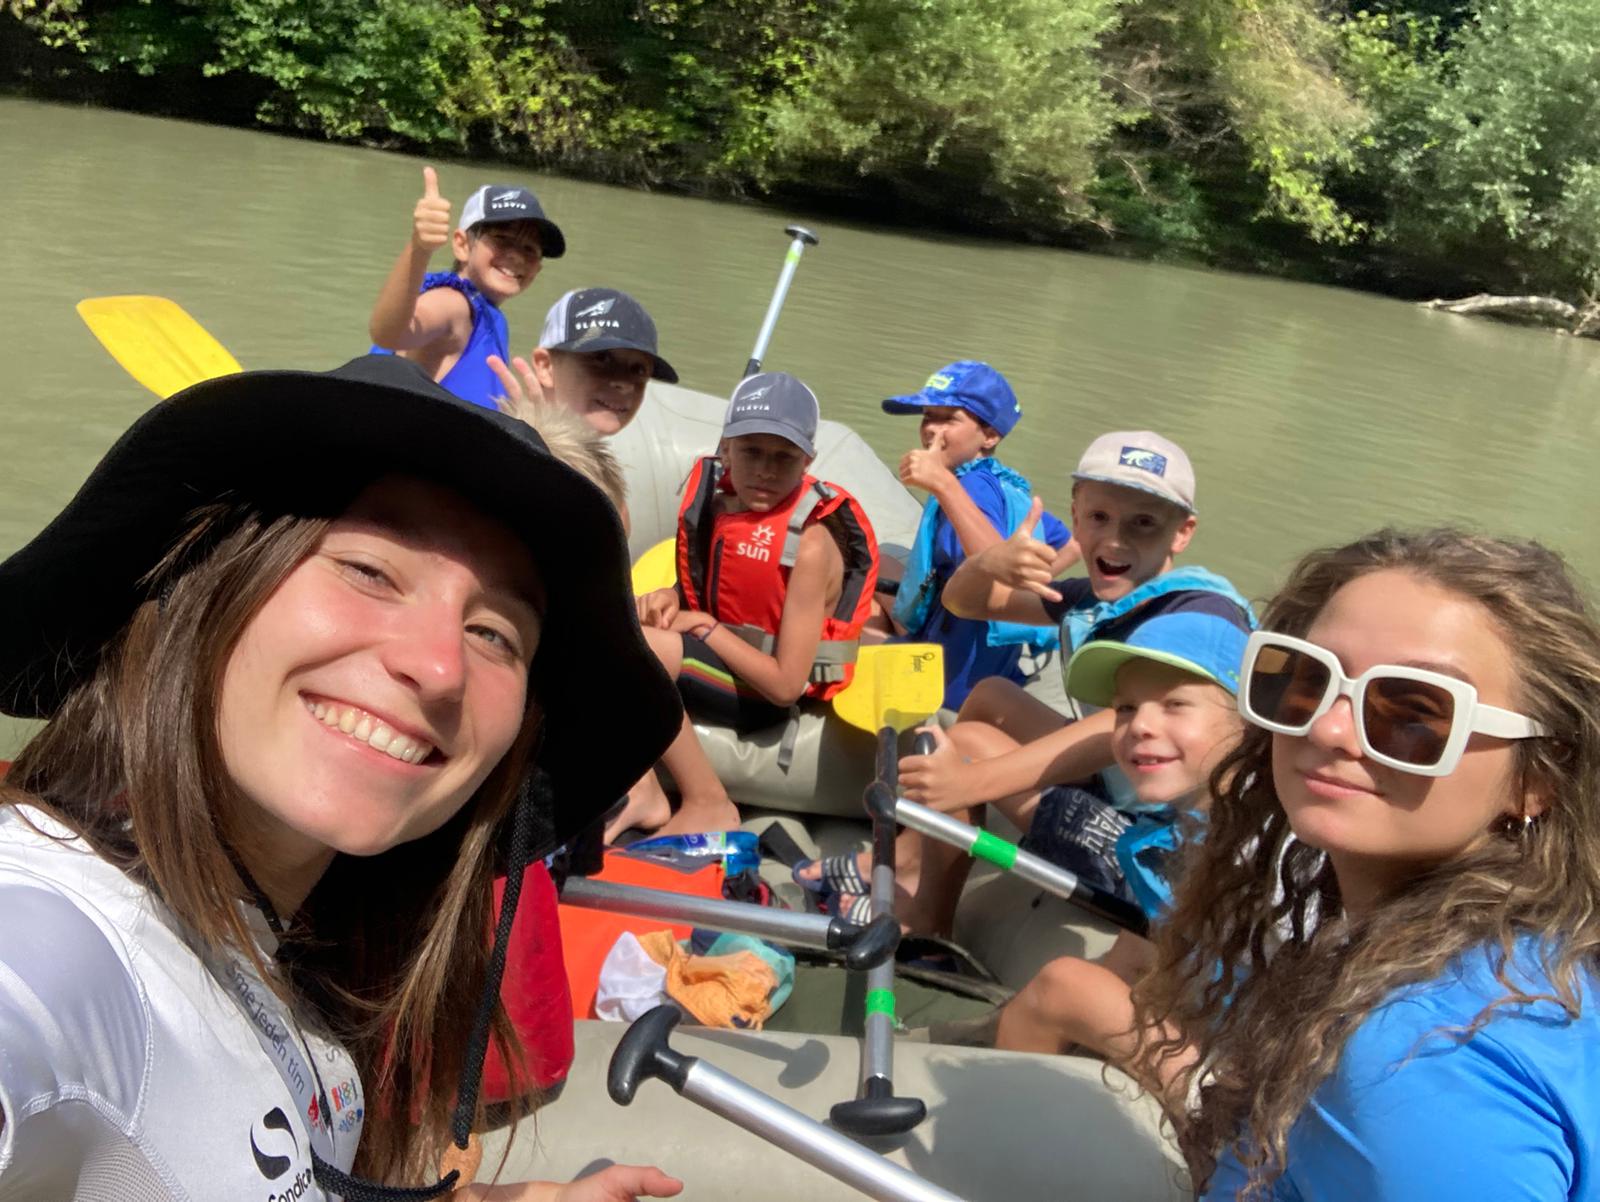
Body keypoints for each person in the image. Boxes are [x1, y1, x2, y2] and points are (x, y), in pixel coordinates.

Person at [0, 354, 684, 1202]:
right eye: (369, 570)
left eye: (496, 633)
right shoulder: (51, 946)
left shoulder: (290, 955)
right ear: (205, 583)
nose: (439, 668)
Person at [1130, 529, 1600, 1200]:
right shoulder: (1544, 955)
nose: (1326, 728)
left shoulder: (1423, 1055)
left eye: (1414, 712)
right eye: (1303, 680)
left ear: (1539, 778)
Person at [798, 430, 1251, 933]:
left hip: (1163, 847)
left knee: (968, 744)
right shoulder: (1097, 598)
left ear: (1182, 533)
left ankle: (928, 919)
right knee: (992, 695)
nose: (1116, 540)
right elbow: (968, 603)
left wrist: (969, 781)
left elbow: (1112, 729)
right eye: (1100, 517)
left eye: (1143, 524)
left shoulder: (1197, 617)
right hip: (1126, 786)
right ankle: (909, 857)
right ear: (1076, 516)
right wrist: (988, 563)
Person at [979, 611, 1246, 1110]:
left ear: (1248, 722)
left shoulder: (1253, 851)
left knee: (1064, 985)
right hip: (1221, 1049)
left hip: (1245, 1100)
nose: (1140, 725)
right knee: (1076, 983)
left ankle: (999, 1134)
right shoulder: (1179, 832)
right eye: (1124, 708)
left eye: (1174, 704)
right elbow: (1141, 948)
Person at [612, 372, 879, 841]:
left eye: (784, 457)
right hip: (721, 659)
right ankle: (640, 782)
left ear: (807, 461)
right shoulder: (723, 504)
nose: (766, 471)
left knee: (648, 651)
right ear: (727, 449)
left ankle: (707, 802)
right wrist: (671, 598)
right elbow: (709, 587)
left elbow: (784, 685)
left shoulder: (810, 547)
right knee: (613, 622)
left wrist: (705, 628)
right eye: (752, 451)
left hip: (762, 695)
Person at [872, 360, 1077, 709]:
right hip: (974, 644)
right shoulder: (1001, 481)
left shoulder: (965, 489)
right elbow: (1071, 541)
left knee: (853, 627)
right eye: (927, 416)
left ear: (991, 435)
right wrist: (1028, 589)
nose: (931, 431)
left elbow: (996, 563)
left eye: (949, 418)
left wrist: (941, 483)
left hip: (951, 676)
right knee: (880, 562)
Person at [369, 167, 565, 409]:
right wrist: (419, 248)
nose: (516, 257)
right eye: (502, 239)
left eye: (530, 250)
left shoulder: (491, 317)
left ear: (538, 270)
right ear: (462, 245)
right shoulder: (454, 305)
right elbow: (390, 334)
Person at [488, 287, 678, 439]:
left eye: (638, 369)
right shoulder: (504, 444)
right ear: (546, 366)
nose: (625, 384)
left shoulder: (596, 465)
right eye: (602, 359)